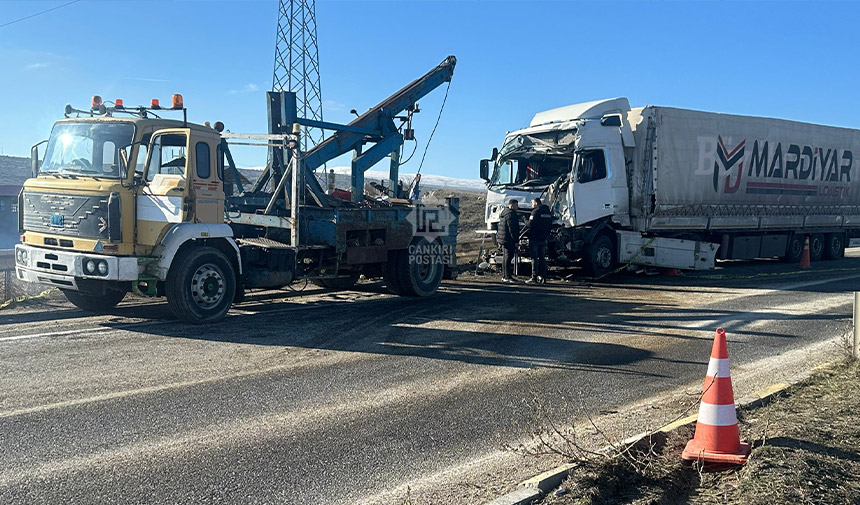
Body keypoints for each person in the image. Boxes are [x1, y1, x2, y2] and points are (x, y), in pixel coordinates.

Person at [527, 197, 552, 284]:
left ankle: (534, 278)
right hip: (543, 239)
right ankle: (544, 277)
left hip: (534, 238)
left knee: (534, 258)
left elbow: (530, 224)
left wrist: (524, 220)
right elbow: (550, 225)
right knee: (542, 258)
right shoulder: (548, 212)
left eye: (532, 203)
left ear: (536, 203)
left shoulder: (535, 212)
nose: (531, 205)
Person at [497, 199, 520, 282]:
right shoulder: (511, 215)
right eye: (516, 205)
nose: (517, 207)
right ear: (512, 205)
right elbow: (512, 229)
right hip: (509, 240)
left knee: (505, 257)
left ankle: (505, 275)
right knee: (508, 257)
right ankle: (507, 276)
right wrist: (516, 241)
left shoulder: (504, 213)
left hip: (503, 239)